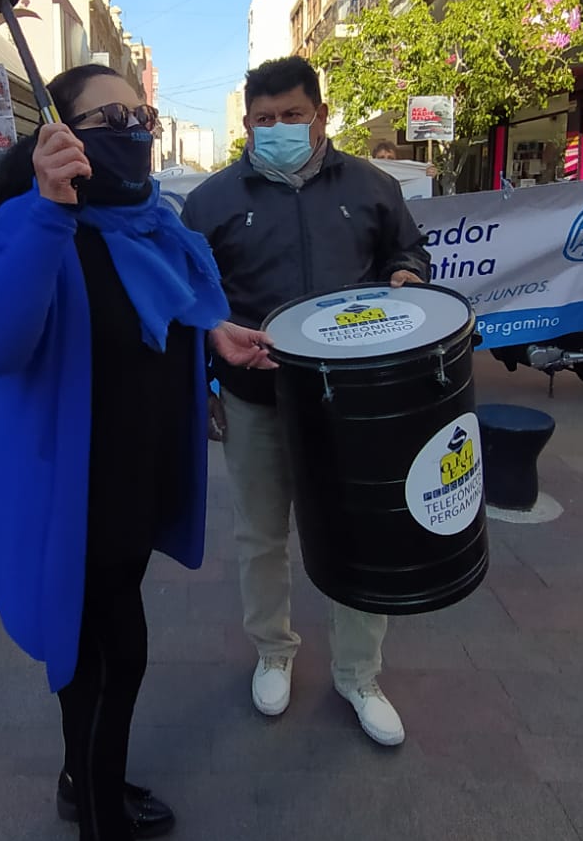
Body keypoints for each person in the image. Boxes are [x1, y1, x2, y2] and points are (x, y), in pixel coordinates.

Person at [0, 62, 272, 841]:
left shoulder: (153, 226)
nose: (132, 123)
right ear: (63, 132)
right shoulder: (29, 222)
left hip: (135, 477)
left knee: (110, 642)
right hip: (73, 489)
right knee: (105, 660)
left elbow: (172, 313)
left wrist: (219, 339)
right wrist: (51, 212)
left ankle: (79, 782)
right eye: (108, 114)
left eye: (140, 109)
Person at [183, 56, 431, 745]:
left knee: (363, 535)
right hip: (257, 400)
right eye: (265, 120)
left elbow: (405, 253)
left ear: (320, 115)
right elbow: (193, 299)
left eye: (293, 115)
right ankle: (273, 652)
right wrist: (209, 368)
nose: (280, 128)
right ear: (247, 125)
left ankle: (359, 673)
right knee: (260, 536)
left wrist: (407, 276)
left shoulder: (372, 185)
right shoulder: (211, 202)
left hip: (353, 404)